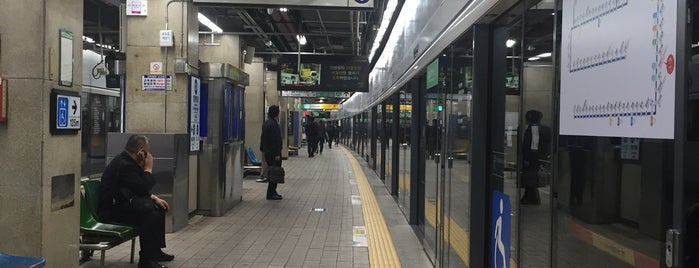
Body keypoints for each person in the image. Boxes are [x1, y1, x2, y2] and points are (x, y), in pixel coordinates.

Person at [97, 135, 173, 268]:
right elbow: (142, 187)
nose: (149, 155)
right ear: (140, 151)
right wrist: (148, 168)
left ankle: (155, 251)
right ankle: (146, 261)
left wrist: (154, 197)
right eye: (147, 151)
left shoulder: (128, 162)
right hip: (111, 211)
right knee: (151, 214)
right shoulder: (125, 165)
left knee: (158, 208)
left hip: (121, 204)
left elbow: (136, 188)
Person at [520, 110, 551, 205]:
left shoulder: (533, 129)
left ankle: (532, 197)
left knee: (530, 178)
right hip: (539, 157)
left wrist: (528, 158)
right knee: (532, 178)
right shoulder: (545, 129)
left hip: (532, 158)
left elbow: (533, 145)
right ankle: (530, 196)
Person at [260, 105, 283, 200]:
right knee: (275, 172)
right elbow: (275, 140)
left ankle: (273, 191)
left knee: (272, 171)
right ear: (277, 113)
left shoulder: (266, 123)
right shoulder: (274, 125)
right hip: (273, 153)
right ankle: (271, 193)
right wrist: (277, 153)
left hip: (268, 152)